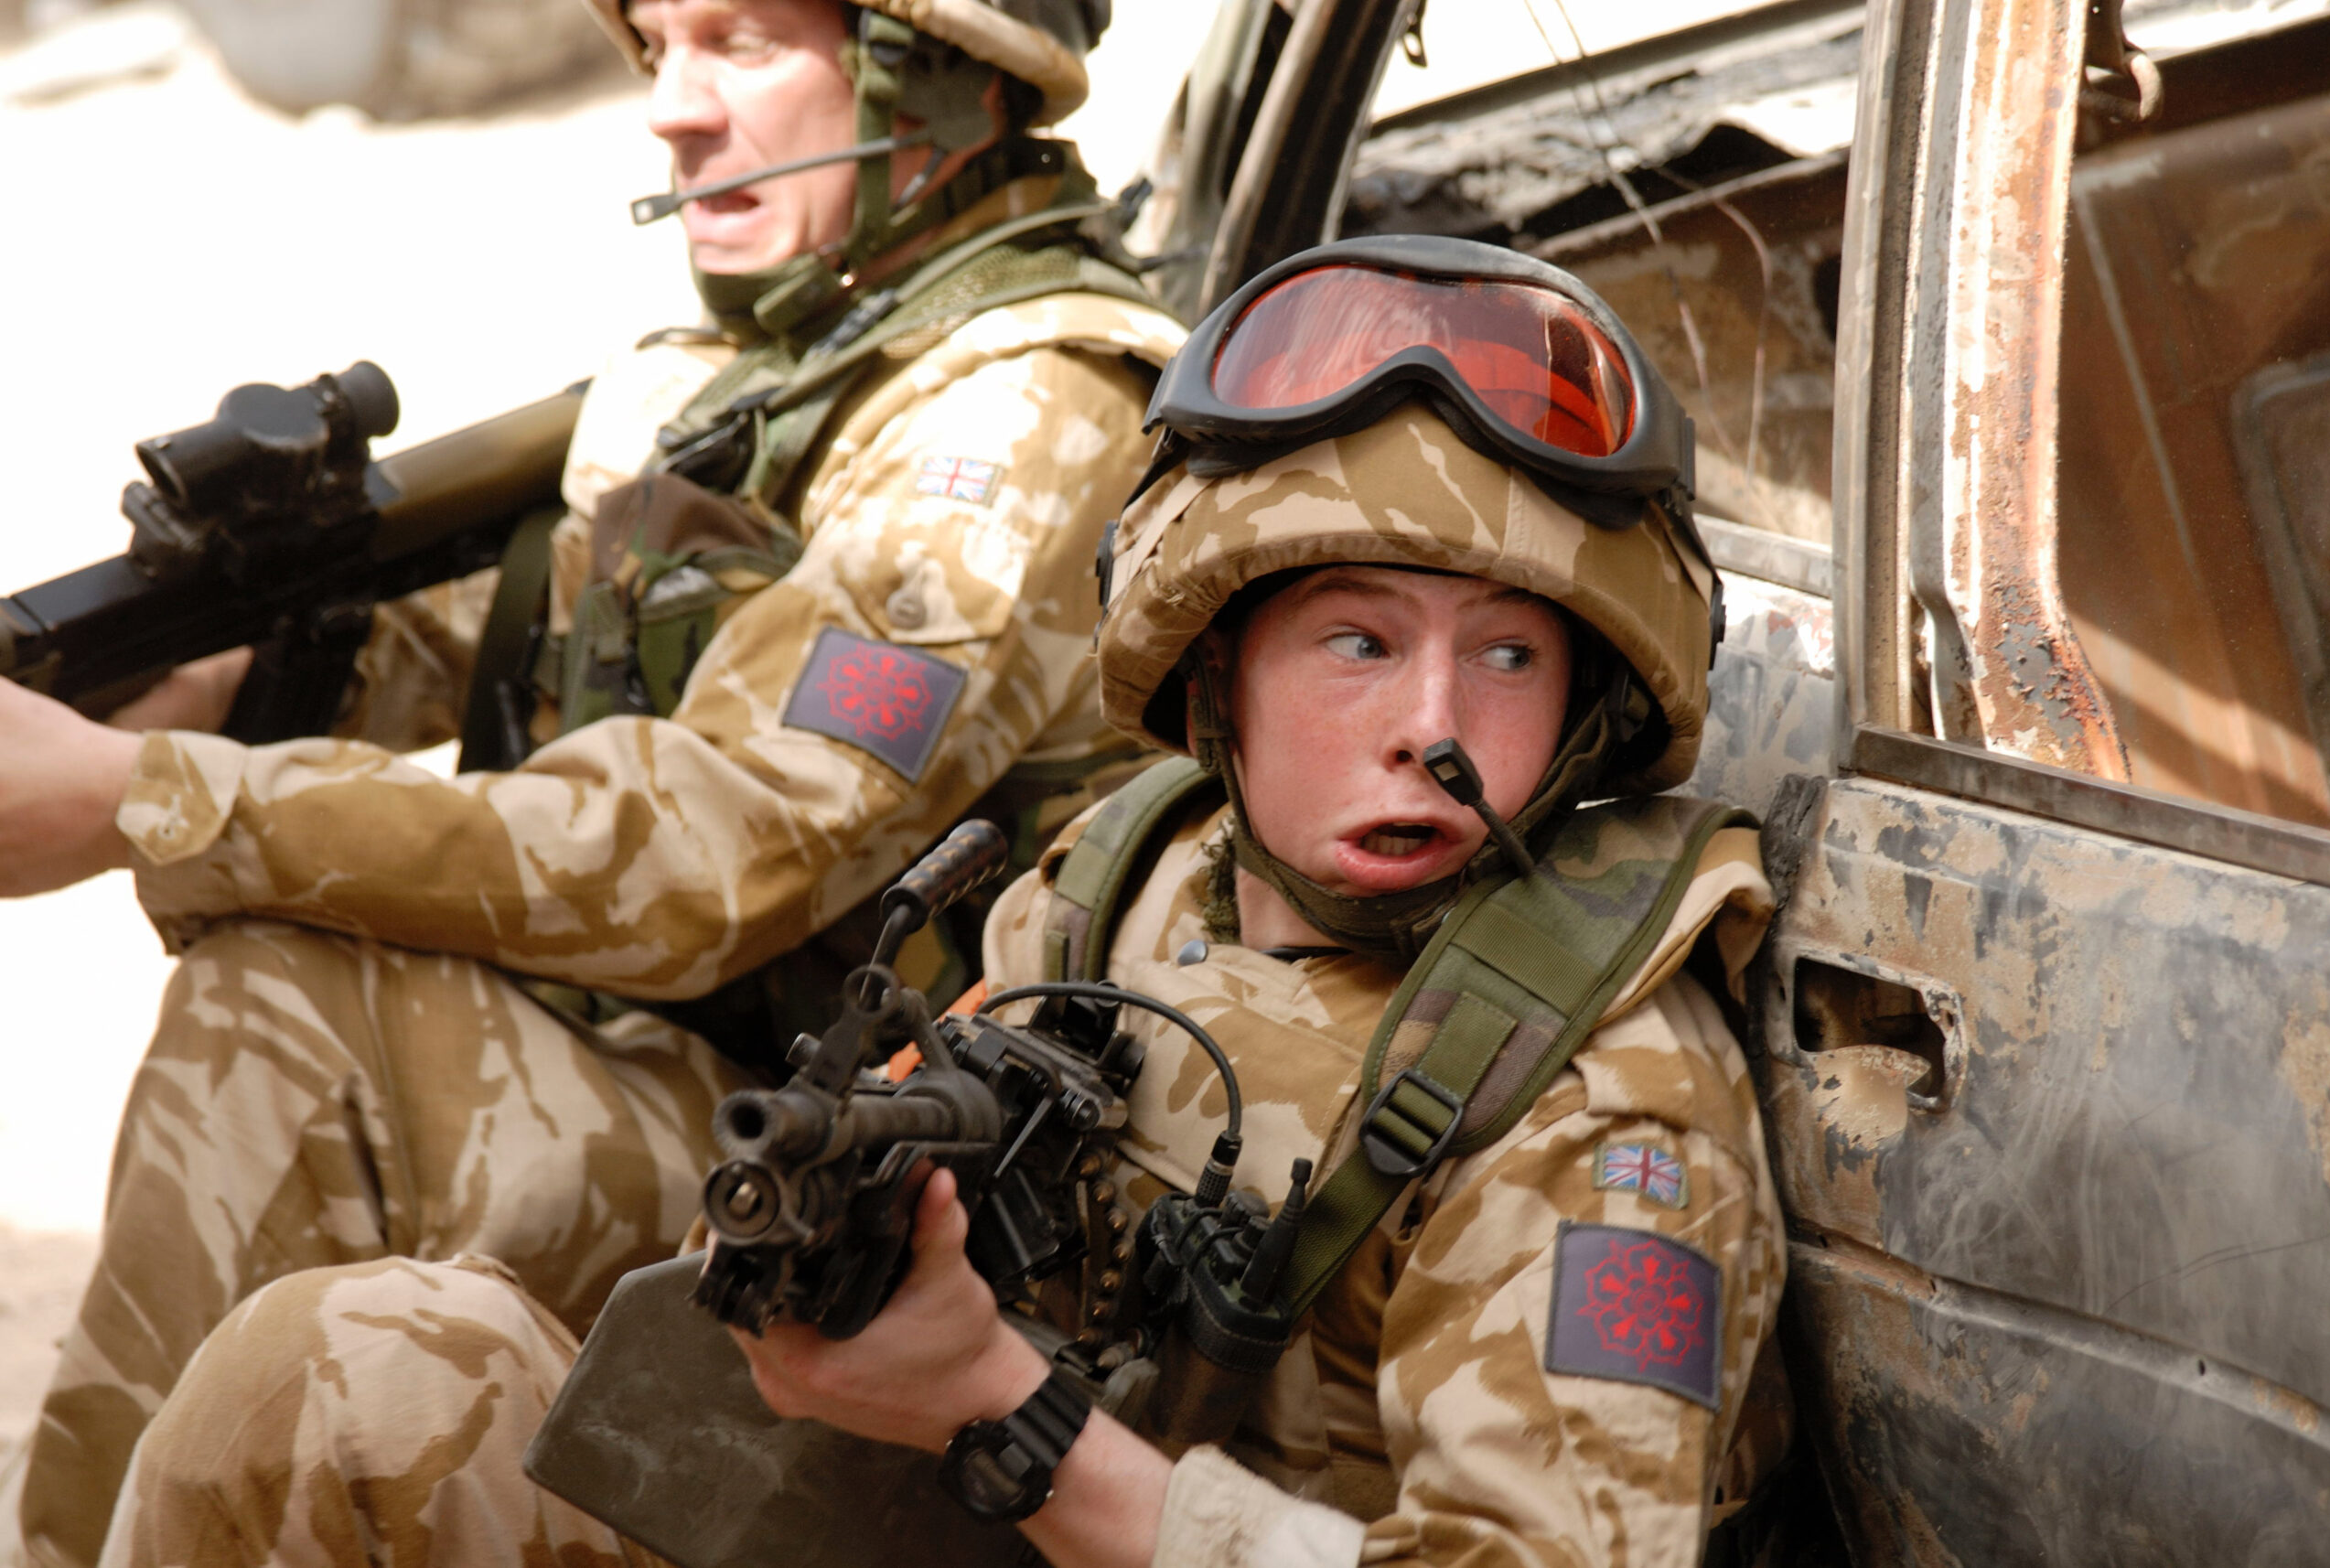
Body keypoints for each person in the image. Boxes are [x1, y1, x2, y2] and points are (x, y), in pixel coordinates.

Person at [97, 237, 1787, 1568]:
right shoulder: (1130, 876)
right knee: (363, 1361)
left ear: (1588, 705)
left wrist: (1008, 1413)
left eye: (1508, 655)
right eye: (1358, 639)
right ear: (1220, 668)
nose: (1433, 721)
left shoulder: (1593, 1104)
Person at [0, 1, 1184, 1561]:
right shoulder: (771, 352)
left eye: (742, 42)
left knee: (281, 1017)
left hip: (860, 1179)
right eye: (660, 44)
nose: (673, 109)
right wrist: (208, 680)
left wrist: (152, 794)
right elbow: (535, 644)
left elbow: (715, 848)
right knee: (282, 973)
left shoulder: (1022, 409)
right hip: (700, 1066)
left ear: (940, 75)